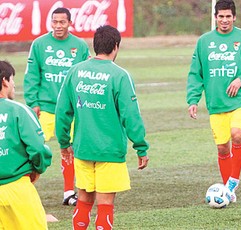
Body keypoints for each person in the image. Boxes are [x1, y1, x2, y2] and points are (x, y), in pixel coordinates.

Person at [55, 25, 149, 230]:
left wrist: (64, 143)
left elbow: (62, 111)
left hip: (83, 148)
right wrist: (141, 147)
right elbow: (131, 116)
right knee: (105, 207)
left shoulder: (75, 71)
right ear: (116, 47)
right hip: (109, 151)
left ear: (95, 45)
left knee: (83, 202)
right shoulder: (120, 76)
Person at [186, 0, 241, 202]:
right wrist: (193, 99)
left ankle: (233, 181)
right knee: (223, 148)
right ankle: (228, 191)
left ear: (234, 17)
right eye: (221, 16)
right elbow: (195, 73)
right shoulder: (204, 42)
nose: (224, 20)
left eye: (228, 16)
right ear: (215, 17)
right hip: (216, 103)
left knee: (238, 135)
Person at [24, 7, 90, 206]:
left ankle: (69, 193)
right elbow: (32, 75)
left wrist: (82, 103)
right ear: (50, 23)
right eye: (55, 22)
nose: (58, 26)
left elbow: (84, 77)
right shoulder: (39, 44)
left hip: (70, 110)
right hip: (45, 108)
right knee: (32, 148)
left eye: (62, 22)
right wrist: (33, 102)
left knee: (69, 149)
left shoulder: (79, 46)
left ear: (70, 23)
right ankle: (24, 191)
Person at [0, 60, 52, 229]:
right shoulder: (19, 110)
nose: (14, 84)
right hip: (18, 189)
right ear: (5, 81)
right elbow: (37, 148)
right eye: (13, 79)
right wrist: (38, 168)